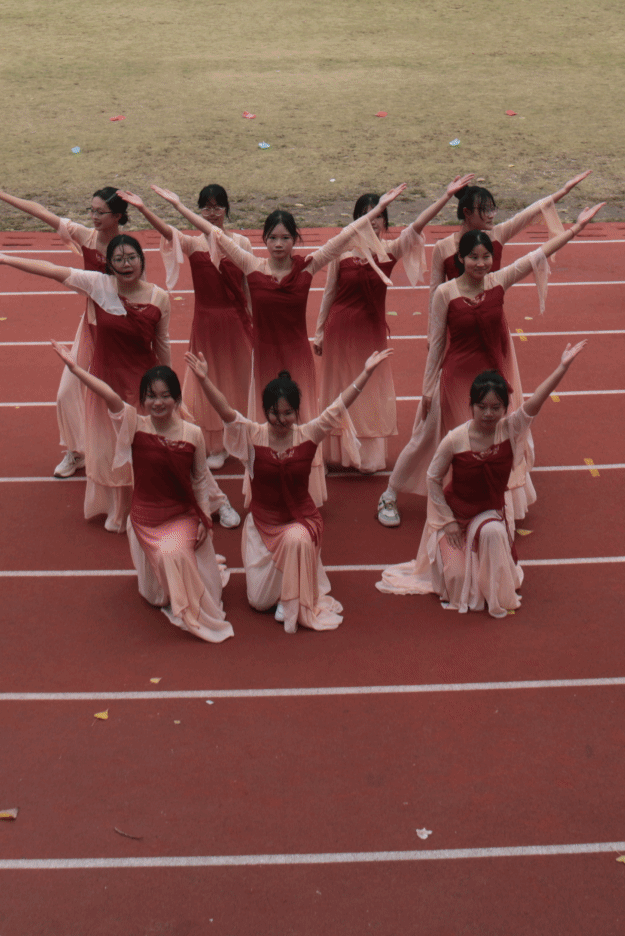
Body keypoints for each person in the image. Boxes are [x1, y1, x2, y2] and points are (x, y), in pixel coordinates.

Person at [149, 184, 406, 504]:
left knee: (302, 417)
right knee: (264, 420)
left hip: (298, 358)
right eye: (273, 237)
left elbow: (344, 235)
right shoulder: (252, 265)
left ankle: (305, 488)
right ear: (265, 240)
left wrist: (378, 207)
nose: (279, 243)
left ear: (295, 239)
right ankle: (264, 489)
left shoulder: (308, 266)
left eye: (286, 237)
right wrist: (177, 205)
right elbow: (212, 233)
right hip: (266, 359)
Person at [382, 205, 607, 526]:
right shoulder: (445, 294)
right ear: (460, 259)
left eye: (485, 257)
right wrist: (427, 389)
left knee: (489, 446)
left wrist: (576, 228)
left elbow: (537, 255)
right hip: (455, 382)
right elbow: (436, 345)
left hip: (490, 384)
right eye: (473, 257)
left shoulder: (498, 282)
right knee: (429, 439)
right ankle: (389, 493)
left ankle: (479, 507)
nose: (480, 263)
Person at [0, 235, 198, 533]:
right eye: (119, 259)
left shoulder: (159, 297)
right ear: (110, 264)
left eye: (132, 257)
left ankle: (152, 505)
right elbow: (53, 269)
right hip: (104, 382)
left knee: (141, 448)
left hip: (143, 385)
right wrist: (8, 259)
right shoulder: (98, 285)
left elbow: (162, 344)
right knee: (108, 451)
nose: (126, 264)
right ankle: (118, 510)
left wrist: (170, 389)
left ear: (142, 261)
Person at [0, 175, 174, 477]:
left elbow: (142, 303)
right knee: (68, 393)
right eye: (90, 210)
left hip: (120, 331)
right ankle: (76, 451)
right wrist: (1, 195)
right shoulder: (86, 237)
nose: (92, 217)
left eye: (99, 212)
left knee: (130, 396)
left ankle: (152, 446)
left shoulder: (126, 252)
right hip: (93, 324)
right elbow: (42, 213)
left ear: (117, 216)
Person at [192, 348, 393, 633]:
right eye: (275, 413)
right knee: (258, 602)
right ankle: (279, 590)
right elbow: (226, 412)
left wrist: (367, 371)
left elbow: (339, 406)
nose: (281, 420)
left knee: (298, 538)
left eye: (288, 413)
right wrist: (203, 379)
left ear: (297, 412)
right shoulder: (253, 436)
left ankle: (292, 599)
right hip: (263, 525)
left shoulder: (308, 434)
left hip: (300, 520)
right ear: (266, 411)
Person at [377, 345, 587, 616]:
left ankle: (495, 572)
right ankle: (458, 557)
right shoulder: (454, 439)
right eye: (482, 407)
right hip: (455, 519)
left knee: (492, 534)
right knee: (457, 580)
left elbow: (536, 402)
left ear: (505, 408)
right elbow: (432, 479)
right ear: (471, 406)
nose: (489, 414)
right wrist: (448, 522)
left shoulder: (510, 429)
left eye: (496, 407)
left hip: (488, 514)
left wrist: (562, 367)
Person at [56, 347, 234, 643]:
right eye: (151, 396)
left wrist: (205, 518)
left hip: (181, 515)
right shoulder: (135, 426)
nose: (158, 402)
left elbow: (200, 479)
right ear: (143, 400)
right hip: (145, 517)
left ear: (177, 399)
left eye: (165, 396)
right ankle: (170, 586)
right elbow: (111, 397)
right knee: (155, 599)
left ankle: (191, 598)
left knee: (172, 551)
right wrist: (75, 370)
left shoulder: (193, 434)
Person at [313, 178, 473, 472]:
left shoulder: (389, 249)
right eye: (367, 215)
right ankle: (338, 454)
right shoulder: (342, 250)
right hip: (339, 330)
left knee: (370, 390)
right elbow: (329, 292)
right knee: (338, 390)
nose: (373, 222)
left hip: (370, 334)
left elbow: (417, 227)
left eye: (379, 217)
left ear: (385, 222)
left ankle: (367, 457)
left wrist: (446, 196)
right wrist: (319, 331)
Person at [152, 183, 254, 466]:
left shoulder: (241, 244)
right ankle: (218, 444)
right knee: (210, 381)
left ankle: (243, 437)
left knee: (240, 379)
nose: (212, 213)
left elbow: (248, 286)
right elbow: (165, 232)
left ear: (227, 210)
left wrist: (254, 320)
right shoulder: (193, 244)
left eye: (217, 207)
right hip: (206, 323)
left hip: (236, 321)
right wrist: (143, 208)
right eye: (206, 207)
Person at [427, 170, 592, 287]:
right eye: (485, 210)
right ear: (467, 212)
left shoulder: (496, 234)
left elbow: (529, 212)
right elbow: (435, 299)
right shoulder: (443, 248)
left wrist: (564, 190)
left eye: (493, 209)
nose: (491, 215)